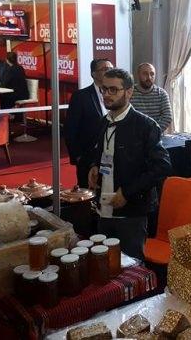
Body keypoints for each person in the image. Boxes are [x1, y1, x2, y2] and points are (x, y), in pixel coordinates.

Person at [85, 68, 171, 261]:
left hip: (131, 213)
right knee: (104, 263)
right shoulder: (104, 121)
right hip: (103, 208)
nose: (106, 95)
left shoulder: (146, 126)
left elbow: (162, 167)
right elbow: (102, 153)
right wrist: (94, 166)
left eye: (113, 90)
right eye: (104, 89)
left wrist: (127, 192)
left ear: (129, 92)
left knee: (131, 267)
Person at [64, 58, 114, 188]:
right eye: (105, 69)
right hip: (88, 156)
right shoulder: (81, 96)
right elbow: (70, 128)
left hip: (112, 154)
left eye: (111, 69)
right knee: (87, 192)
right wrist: (78, 156)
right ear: (93, 74)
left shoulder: (118, 94)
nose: (109, 72)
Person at [131, 63, 172, 133]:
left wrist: (153, 132)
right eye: (145, 74)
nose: (149, 77)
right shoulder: (129, 93)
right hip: (134, 135)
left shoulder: (162, 94)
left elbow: (167, 117)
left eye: (152, 74)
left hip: (156, 135)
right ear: (138, 75)